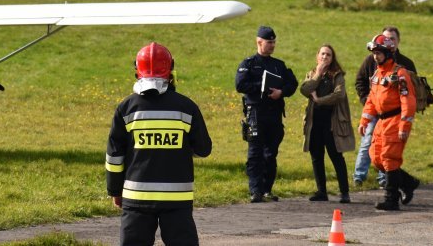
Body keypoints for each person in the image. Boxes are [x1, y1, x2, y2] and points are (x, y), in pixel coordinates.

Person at [106, 42, 212, 246]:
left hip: (136, 197)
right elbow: (203, 150)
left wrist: (114, 190)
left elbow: (114, 156)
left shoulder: (126, 108)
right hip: (177, 198)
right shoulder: (187, 107)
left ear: (137, 70)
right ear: (170, 69)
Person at [235, 25, 298, 203]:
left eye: (273, 42)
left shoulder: (278, 65)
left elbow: (292, 84)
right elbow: (240, 85)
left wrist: (281, 92)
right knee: (255, 154)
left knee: (271, 154)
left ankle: (267, 190)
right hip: (255, 113)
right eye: (269, 42)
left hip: (274, 114)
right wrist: (260, 87)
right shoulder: (248, 64)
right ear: (259, 42)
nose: (272, 45)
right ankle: (255, 191)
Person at [357, 33, 419, 212]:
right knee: (376, 158)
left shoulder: (400, 74)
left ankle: (391, 199)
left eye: (379, 53)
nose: (375, 57)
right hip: (380, 122)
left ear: (388, 53)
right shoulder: (377, 74)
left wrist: (404, 126)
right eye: (374, 53)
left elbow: (408, 102)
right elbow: (371, 100)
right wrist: (365, 120)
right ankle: (409, 183)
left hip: (395, 120)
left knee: (390, 159)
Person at [300, 44, 355, 204]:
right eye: (322, 54)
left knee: (336, 156)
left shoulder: (337, 75)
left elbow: (339, 94)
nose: (325, 57)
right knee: (316, 156)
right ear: (317, 56)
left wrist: (319, 100)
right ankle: (321, 191)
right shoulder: (311, 74)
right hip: (314, 121)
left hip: (332, 122)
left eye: (328, 55)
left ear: (332, 59)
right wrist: (317, 74)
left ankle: (345, 192)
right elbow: (304, 90)